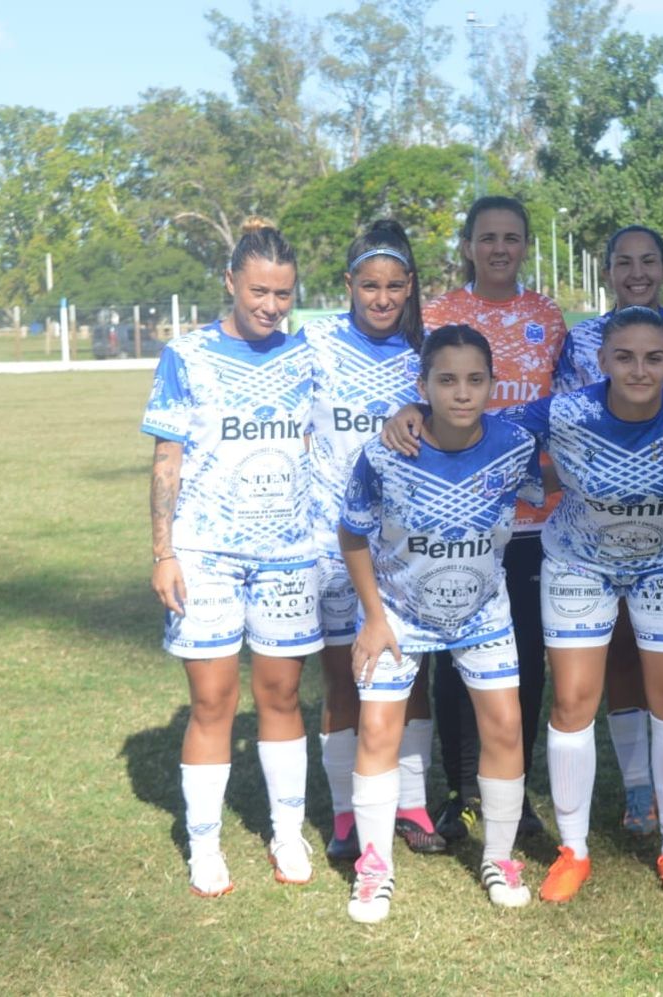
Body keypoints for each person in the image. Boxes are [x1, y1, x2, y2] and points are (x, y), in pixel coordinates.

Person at [386, 307, 663, 902]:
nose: (638, 370)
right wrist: (413, 412)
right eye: (624, 357)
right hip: (579, 562)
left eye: (653, 358)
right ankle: (574, 850)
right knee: (572, 702)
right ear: (602, 361)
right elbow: (478, 418)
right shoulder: (566, 410)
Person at [338, 325, 542, 922]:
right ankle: (373, 869)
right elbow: (352, 533)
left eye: (475, 379)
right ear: (422, 384)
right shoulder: (385, 453)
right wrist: (374, 619)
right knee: (378, 732)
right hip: (397, 613)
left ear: (492, 384)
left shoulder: (514, 445)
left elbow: (545, 485)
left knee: (504, 727)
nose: (462, 392)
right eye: (446, 380)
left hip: (482, 613)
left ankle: (500, 859)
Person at [143, 218, 323, 897]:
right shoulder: (186, 356)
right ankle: (205, 842)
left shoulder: (307, 354)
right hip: (206, 553)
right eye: (258, 291)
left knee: (280, 695)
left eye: (283, 293)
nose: (271, 305)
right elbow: (168, 456)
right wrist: (164, 551)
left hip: (287, 555)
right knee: (213, 699)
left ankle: (286, 830)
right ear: (229, 282)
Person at [553, 225, 663, 836]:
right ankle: (637, 786)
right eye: (623, 262)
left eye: (648, 260)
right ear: (607, 272)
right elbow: (562, 417)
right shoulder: (579, 340)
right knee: (617, 650)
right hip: (598, 520)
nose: (636, 272)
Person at [420, 196, 569, 841]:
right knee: (456, 657)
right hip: (459, 518)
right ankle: (460, 787)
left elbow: (560, 412)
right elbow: (417, 399)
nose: (500, 248)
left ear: (526, 245)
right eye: (488, 237)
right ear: (469, 245)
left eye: (512, 237)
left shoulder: (547, 316)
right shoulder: (437, 314)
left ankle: (516, 786)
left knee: (526, 659)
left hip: (535, 515)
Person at [303, 221, 443, 862]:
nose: (381, 298)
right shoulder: (315, 344)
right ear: (349, 285)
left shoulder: (430, 350)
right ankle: (342, 814)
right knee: (341, 679)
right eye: (369, 286)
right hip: (331, 544)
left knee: (409, 680)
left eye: (393, 286)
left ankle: (410, 803)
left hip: (404, 549)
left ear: (409, 286)